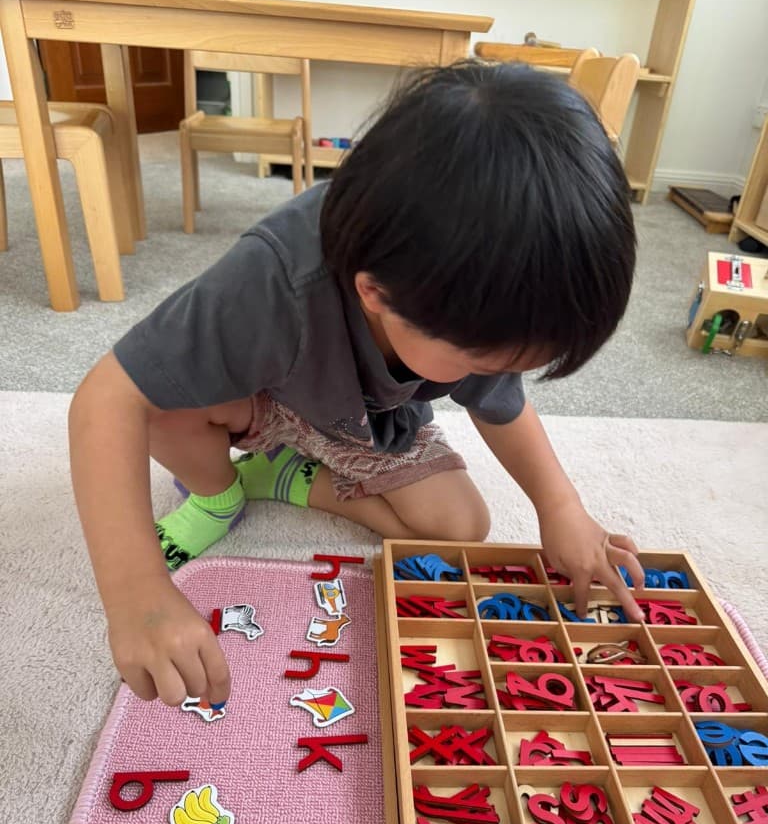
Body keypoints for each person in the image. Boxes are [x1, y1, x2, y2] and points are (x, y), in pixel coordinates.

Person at [69, 60, 645, 712]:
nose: (494, 374)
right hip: (259, 401)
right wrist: (136, 594)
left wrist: (560, 507)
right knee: (159, 403)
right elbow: (106, 395)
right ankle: (218, 494)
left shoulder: (474, 290)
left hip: (365, 421)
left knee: (460, 527)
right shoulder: (271, 281)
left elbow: (503, 405)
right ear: (375, 293)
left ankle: (285, 479)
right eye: (480, 360)